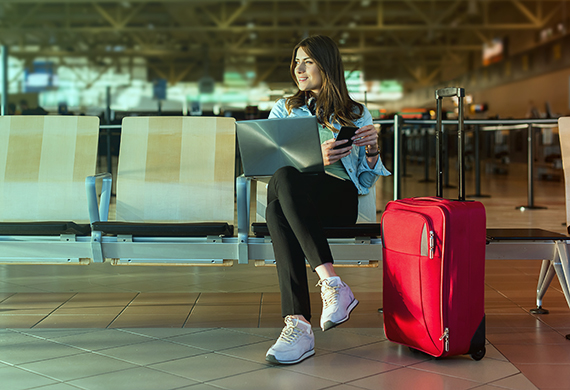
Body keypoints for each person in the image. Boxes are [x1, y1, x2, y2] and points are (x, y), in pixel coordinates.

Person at [264, 35, 390, 365]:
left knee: (279, 203)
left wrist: (373, 150)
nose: (299, 68)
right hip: (297, 196)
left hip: (338, 198)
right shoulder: (284, 108)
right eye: (296, 62)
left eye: (307, 61)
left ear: (326, 64)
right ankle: (329, 286)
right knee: (283, 184)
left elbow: (364, 179)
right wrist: (312, 160)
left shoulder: (356, 112)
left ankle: (298, 325)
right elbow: (268, 164)